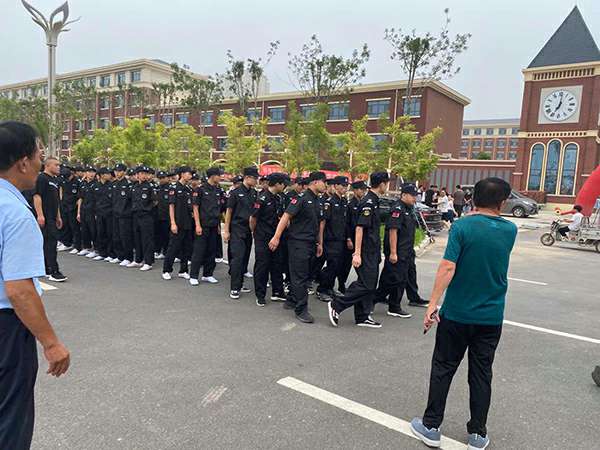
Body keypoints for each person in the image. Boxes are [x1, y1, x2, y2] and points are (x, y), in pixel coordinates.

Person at [410, 177, 517, 450]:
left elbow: (448, 267)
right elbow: (488, 233)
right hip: (490, 317)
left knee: (443, 368)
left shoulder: (462, 227)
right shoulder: (510, 230)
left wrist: (432, 304)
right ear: (503, 202)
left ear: (473, 199)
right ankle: (478, 434)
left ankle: (431, 426)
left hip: (457, 313)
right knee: (481, 374)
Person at [0, 121, 70, 450]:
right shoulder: (15, 213)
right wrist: (51, 343)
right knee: (10, 417)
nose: (42, 160)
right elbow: (19, 290)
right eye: (39, 153)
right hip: (6, 331)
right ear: (23, 162)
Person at [327, 172, 390, 329]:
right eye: (387, 183)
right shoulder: (368, 202)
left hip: (373, 249)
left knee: (370, 284)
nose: (387, 186)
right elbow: (359, 228)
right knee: (366, 284)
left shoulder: (374, 200)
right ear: (382, 184)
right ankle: (337, 304)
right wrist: (357, 253)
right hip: (366, 250)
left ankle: (363, 316)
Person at [269, 171, 327, 323]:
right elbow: (286, 216)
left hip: (311, 243)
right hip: (298, 243)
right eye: (324, 182)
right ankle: (301, 309)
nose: (326, 185)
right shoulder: (301, 198)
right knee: (300, 277)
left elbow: (319, 224)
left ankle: (292, 300)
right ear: (315, 182)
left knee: (305, 275)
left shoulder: (318, 200)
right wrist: (276, 237)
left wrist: (319, 243)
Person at [375, 184, 429, 318]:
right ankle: (388, 304)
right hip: (398, 251)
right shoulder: (397, 209)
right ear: (404, 195)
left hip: (407, 250)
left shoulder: (408, 208)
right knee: (396, 279)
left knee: (406, 276)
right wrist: (393, 252)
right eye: (412, 196)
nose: (415, 199)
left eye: (416, 196)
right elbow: (393, 231)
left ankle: (406, 300)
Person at [250, 172, 288, 306]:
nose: (284, 186)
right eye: (283, 184)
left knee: (277, 264)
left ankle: (277, 292)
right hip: (263, 237)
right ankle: (260, 295)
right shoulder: (262, 199)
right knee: (262, 266)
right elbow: (253, 218)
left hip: (276, 236)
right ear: (277, 184)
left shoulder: (279, 198)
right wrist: (255, 232)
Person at [224, 167, 258, 299]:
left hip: (248, 230)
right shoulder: (235, 193)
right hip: (237, 229)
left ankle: (240, 283)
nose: (256, 181)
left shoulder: (254, 193)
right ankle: (234, 287)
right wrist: (226, 230)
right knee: (237, 258)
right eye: (255, 178)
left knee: (244, 258)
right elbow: (229, 212)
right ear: (247, 177)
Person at [189, 166, 225, 286]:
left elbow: (218, 209)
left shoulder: (218, 190)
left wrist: (219, 226)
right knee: (199, 251)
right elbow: (195, 208)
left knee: (212, 250)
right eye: (219, 175)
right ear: (213, 176)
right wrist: (197, 225)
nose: (220, 177)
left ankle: (208, 274)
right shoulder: (200, 190)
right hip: (203, 225)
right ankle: (193, 276)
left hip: (214, 225)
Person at [33, 156, 67, 282]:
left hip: (53, 216)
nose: (59, 167)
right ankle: (53, 271)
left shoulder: (55, 180)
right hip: (45, 216)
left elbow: (56, 200)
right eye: (56, 165)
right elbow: (37, 196)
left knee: (49, 243)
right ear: (47, 166)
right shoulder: (42, 178)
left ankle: (47, 268)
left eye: (59, 165)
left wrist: (58, 216)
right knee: (50, 244)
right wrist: (40, 215)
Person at [317, 176, 349, 300]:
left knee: (337, 265)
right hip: (330, 239)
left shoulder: (344, 201)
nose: (345, 188)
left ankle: (329, 287)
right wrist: (320, 240)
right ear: (335, 186)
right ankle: (322, 289)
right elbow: (323, 223)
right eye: (342, 185)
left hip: (340, 239)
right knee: (331, 265)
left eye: (346, 186)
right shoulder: (329, 202)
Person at [162, 166, 194, 280]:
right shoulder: (174, 188)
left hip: (187, 223)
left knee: (186, 248)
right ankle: (166, 270)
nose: (190, 176)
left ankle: (183, 270)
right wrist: (173, 223)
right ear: (182, 174)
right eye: (188, 173)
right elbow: (171, 206)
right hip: (178, 222)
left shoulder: (188, 189)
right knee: (173, 247)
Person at [339, 180, 368, 292]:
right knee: (346, 264)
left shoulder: (362, 203)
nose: (364, 192)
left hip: (359, 238)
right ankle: (341, 285)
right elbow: (346, 223)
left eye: (365, 190)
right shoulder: (350, 205)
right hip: (350, 237)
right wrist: (348, 238)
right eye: (362, 189)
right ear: (355, 190)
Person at [131, 166, 157, 271]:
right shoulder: (135, 186)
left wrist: (147, 209)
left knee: (147, 239)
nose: (144, 175)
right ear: (137, 175)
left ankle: (148, 262)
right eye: (141, 173)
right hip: (136, 215)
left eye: (145, 173)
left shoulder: (150, 186)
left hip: (146, 216)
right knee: (137, 238)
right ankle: (138, 260)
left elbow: (155, 201)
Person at [112, 163, 134, 266]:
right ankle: (119, 256)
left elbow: (131, 201)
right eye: (116, 171)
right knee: (116, 236)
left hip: (125, 215)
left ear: (124, 172)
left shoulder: (129, 184)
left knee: (125, 237)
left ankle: (128, 257)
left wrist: (127, 212)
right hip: (115, 214)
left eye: (119, 171)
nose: (117, 173)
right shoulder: (115, 184)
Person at [93, 167, 115, 263]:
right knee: (100, 233)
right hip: (99, 213)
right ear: (101, 175)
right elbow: (94, 200)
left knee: (109, 233)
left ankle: (111, 254)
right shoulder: (96, 186)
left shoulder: (112, 185)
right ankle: (102, 253)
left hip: (109, 213)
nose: (109, 175)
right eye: (107, 173)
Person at [77, 166, 98, 258]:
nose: (91, 174)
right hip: (84, 210)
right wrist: (78, 212)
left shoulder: (96, 184)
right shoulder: (82, 184)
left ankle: (96, 249)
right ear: (86, 173)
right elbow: (80, 198)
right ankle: (86, 247)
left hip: (92, 211)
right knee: (85, 230)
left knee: (93, 230)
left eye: (93, 172)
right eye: (89, 172)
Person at [60, 167, 82, 256]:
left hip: (73, 207)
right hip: (65, 206)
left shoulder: (77, 182)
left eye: (68, 177)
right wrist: (61, 200)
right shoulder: (63, 180)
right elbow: (61, 190)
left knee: (74, 227)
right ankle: (67, 243)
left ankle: (77, 246)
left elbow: (79, 196)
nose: (67, 179)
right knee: (66, 225)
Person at [154, 171, 171, 259]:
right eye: (160, 178)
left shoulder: (170, 188)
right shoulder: (157, 188)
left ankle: (167, 252)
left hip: (167, 216)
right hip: (158, 215)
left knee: (167, 235)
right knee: (160, 235)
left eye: (163, 178)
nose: (161, 180)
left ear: (167, 178)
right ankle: (160, 251)